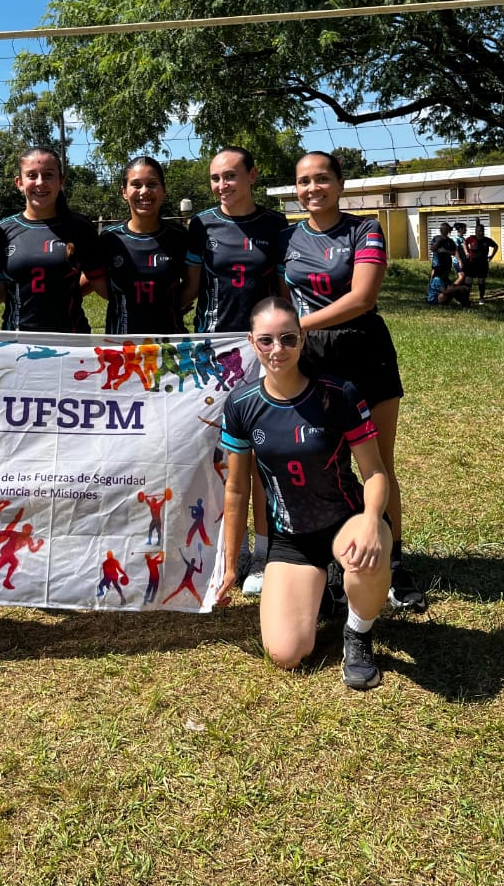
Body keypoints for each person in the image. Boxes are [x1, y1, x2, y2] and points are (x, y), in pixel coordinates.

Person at [217, 298, 392, 690]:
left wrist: (369, 521)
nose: (277, 349)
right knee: (286, 653)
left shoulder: (338, 394)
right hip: (291, 538)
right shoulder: (241, 405)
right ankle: (326, 591)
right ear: (251, 342)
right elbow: (236, 488)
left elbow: (376, 472)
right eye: (266, 341)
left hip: (344, 522)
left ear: (302, 338)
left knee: (367, 553)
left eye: (287, 338)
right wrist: (231, 566)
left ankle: (358, 633)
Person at [280, 151, 425, 613]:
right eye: (304, 182)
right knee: (324, 460)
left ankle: (395, 565)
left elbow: (363, 297)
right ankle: (336, 562)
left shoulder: (366, 229)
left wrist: (299, 325)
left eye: (322, 179)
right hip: (312, 359)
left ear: (340, 184)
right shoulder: (288, 237)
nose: (312, 189)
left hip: (365, 352)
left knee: (377, 462)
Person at [181, 146, 287, 596]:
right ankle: (230, 550)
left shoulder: (275, 225)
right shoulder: (200, 225)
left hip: (263, 351)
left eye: (230, 176)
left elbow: (284, 290)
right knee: (220, 457)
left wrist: (284, 340)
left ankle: (264, 553)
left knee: (263, 457)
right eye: (215, 178)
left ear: (251, 176)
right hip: (214, 355)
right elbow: (188, 291)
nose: (222, 185)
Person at [0, 147, 105, 332]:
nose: (40, 183)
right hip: (18, 345)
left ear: (61, 181)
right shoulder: (2, 231)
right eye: (32, 175)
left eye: (48, 175)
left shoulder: (81, 228)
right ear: (19, 182)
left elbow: (100, 282)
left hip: (72, 342)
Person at [100, 156, 187, 334]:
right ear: (124, 191)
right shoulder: (109, 238)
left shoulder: (179, 236)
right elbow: (93, 280)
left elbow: (194, 283)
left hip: (170, 346)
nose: (144, 191)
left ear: (163, 190)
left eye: (152, 184)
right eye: (136, 185)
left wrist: (173, 303)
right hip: (121, 346)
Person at [462, 221, 498, 304]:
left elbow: (496, 246)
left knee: (481, 281)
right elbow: (464, 243)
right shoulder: (471, 238)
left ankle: (481, 298)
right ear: (475, 231)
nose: (479, 233)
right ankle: (466, 298)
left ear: (483, 231)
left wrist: (492, 256)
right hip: (471, 263)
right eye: (477, 231)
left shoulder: (487, 240)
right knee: (468, 281)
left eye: (481, 231)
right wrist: (466, 252)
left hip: (482, 264)